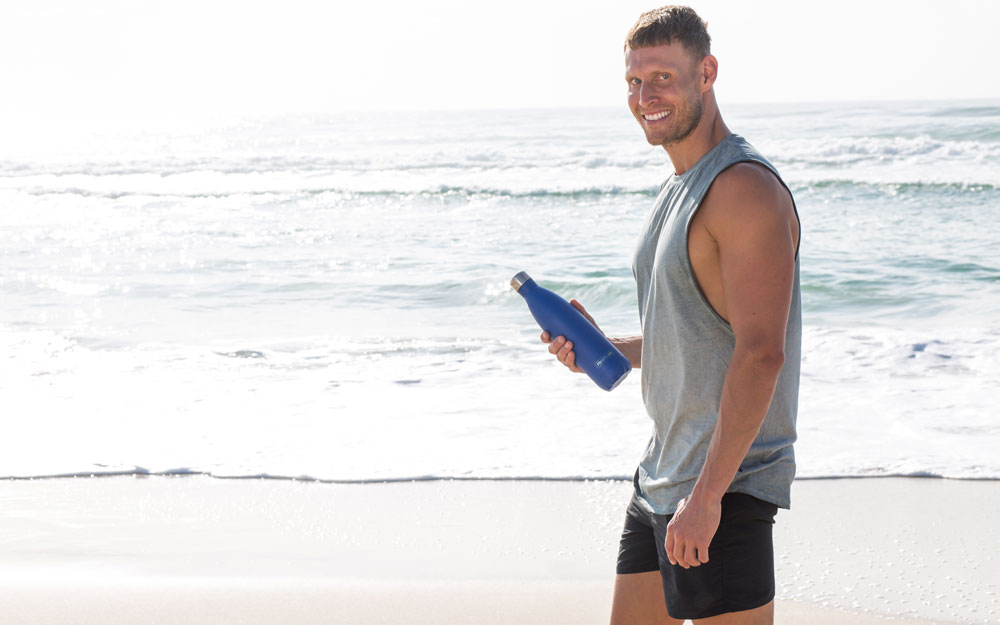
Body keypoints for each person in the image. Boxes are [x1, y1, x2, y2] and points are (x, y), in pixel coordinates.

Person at [541, 6, 801, 624]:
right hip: (661, 476)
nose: (644, 97)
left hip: (723, 489)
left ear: (706, 73)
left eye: (662, 77)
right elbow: (692, 334)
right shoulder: (678, 186)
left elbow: (762, 353)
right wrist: (605, 348)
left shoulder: (742, 188)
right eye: (634, 81)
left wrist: (707, 498)